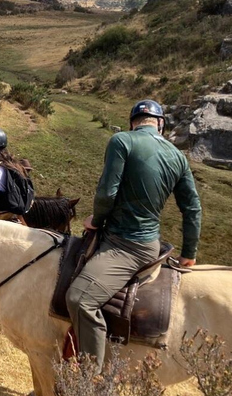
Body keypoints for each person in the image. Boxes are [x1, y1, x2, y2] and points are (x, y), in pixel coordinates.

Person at [66, 99, 201, 373]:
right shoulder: (178, 157)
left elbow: (106, 194)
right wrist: (189, 253)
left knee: (80, 299)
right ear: (160, 124)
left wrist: (97, 220)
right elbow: (192, 208)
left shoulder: (122, 141)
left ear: (132, 122)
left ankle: (90, 381)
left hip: (126, 246)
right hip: (149, 243)